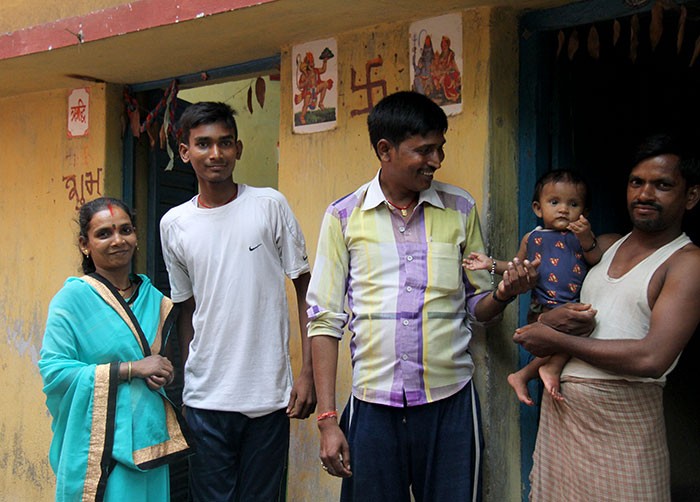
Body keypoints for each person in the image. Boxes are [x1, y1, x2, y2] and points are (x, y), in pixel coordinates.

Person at [306, 91, 538, 502]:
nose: (436, 160)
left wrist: (503, 294)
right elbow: (324, 320)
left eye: (440, 148)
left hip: (449, 404)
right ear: (385, 150)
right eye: (424, 150)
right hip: (373, 404)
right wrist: (327, 419)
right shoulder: (343, 216)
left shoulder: (460, 209)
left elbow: (477, 308)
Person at [513, 133, 700, 501]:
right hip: (564, 419)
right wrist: (551, 322)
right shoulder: (606, 245)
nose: (645, 194)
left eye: (662, 185)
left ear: (690, 196)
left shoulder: (686, 263)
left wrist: (557, 340)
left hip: (624, 426)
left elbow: (652, 357)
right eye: (637, 183)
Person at [159, 101, 315, 501]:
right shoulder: (174, 224)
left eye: (225, 143)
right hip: (206, 397)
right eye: (204, 144)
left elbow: (305, 291)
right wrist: (185, 381)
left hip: (268, 396)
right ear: (184, 152)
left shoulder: (269, 205)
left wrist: (308, 373)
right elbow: (186, 308)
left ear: (238, 149)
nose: (215, 154)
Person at [39, 197, 192, 502]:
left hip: (148, 443)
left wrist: (164, 372)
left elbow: (161, 363)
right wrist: (132, 369)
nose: (118, 240)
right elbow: (54, 373)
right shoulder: (71, 300)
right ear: (85, 244)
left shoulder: (153, 298)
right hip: (100, 447)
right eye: (104, 233)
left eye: (126, 230)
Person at [464, 169, 601, 403]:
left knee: (583, 328)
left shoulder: (581, 237)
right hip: (544, 306)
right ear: (538, 208)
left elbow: (595, 259)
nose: (564, 209)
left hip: (572, 304)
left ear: (584, 212)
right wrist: (490, 264)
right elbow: (516, 267)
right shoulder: (533, 239)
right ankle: (545, 370)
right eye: (554, 202)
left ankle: (528, 373)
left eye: (573, 204)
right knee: (564, 336)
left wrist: (587, 238)